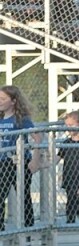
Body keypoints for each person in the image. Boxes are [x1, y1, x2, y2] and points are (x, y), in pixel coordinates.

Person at [0, 85, 42, 231]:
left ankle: (29, 227)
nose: (0, 101)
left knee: (23, 196)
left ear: (13, 101)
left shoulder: (21, 119)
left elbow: (37, 138)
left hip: (19, 162)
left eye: (3, 99)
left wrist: (35, 160)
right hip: (2, 162)